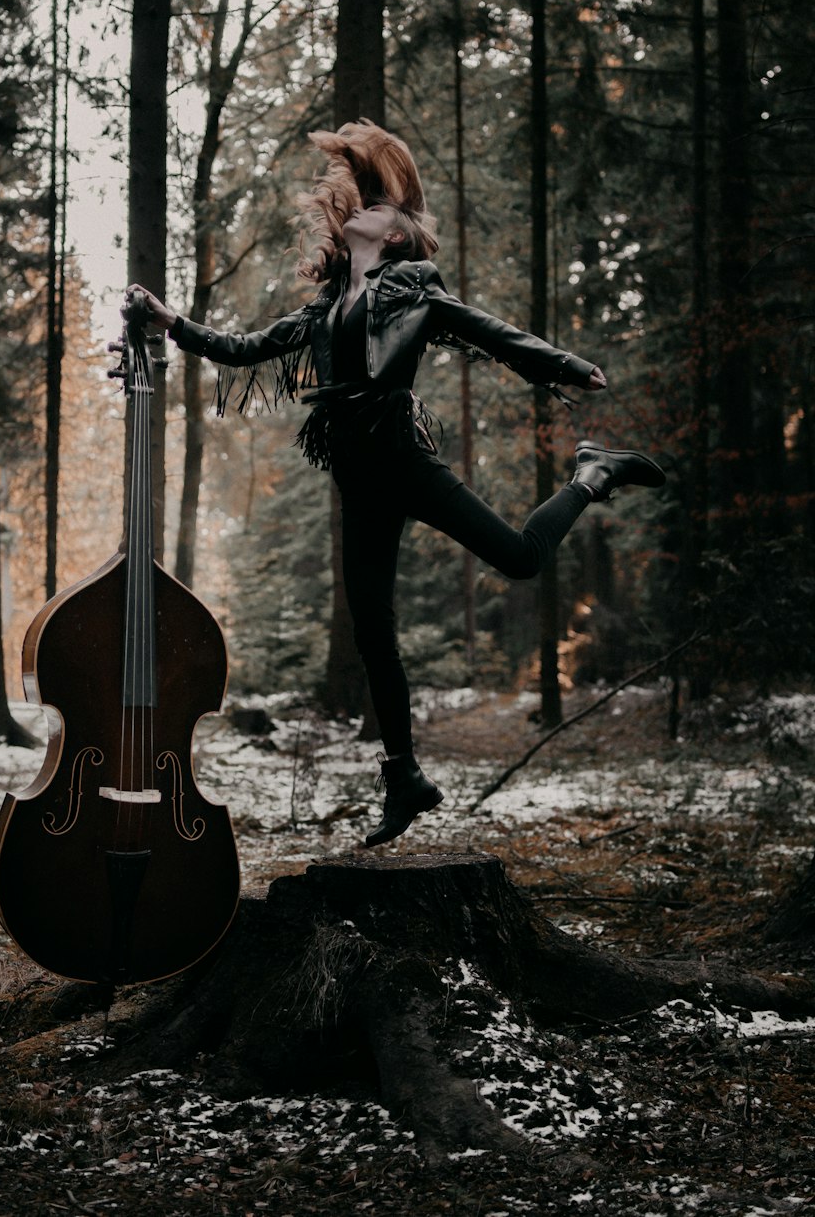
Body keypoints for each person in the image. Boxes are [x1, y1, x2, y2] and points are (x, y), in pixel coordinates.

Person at [132, 119, 664, 847]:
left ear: (394, 235)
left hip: (402, 464)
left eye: (380, 205)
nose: (365, 207)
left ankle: (593, 472)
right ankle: (403, 777)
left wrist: (563, 364)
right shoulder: (323, 310)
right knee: (372, 631)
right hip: (360, 483)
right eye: (365, 199)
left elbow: (488, 330)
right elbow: (244, 349)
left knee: (519, 558)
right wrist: (170, 321)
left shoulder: (413, 290)